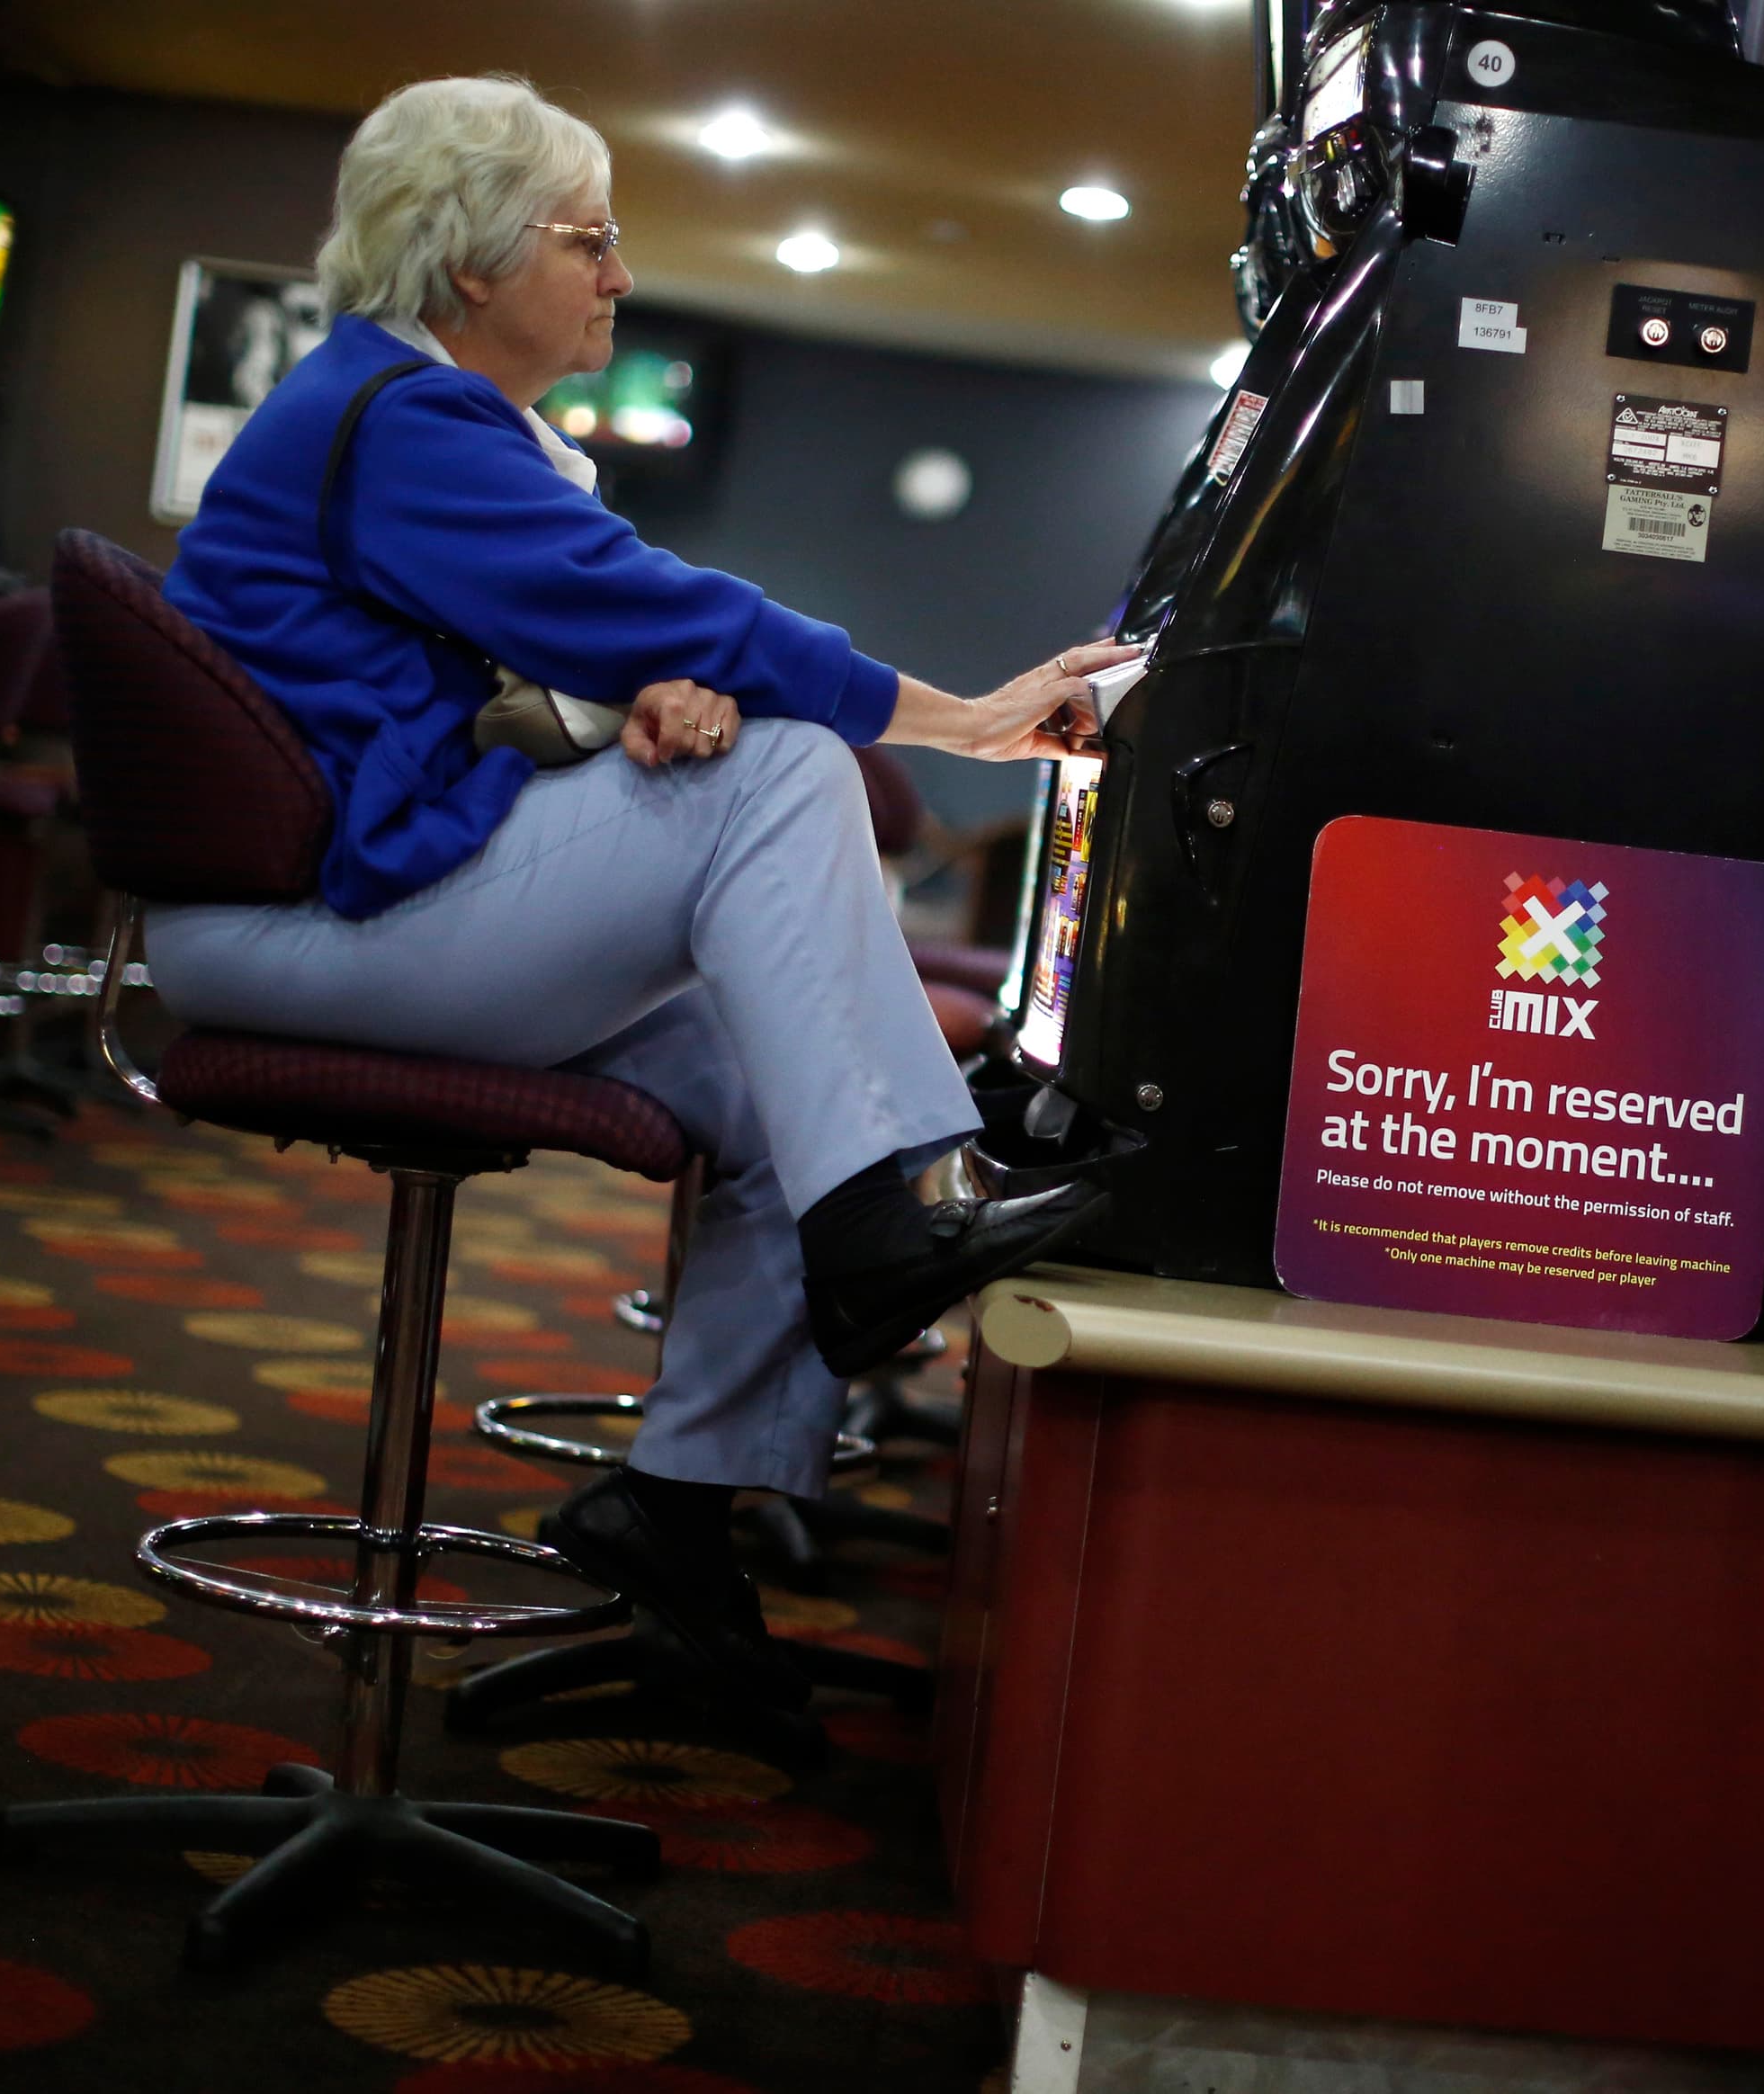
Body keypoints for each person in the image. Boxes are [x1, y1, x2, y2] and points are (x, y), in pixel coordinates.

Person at [144, 75, 1132, 1710]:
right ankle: (889, 1210)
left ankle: (671, 1508)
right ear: (469, 264)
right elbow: (646, 602)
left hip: (354, 900)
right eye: (589, 239)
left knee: (761, 1092)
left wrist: (625, 697)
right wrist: (962, 718)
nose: (617, 276)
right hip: (296, 929)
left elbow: (491, 665)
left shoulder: (419, 417)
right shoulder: (400, 419)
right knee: (790, 768)